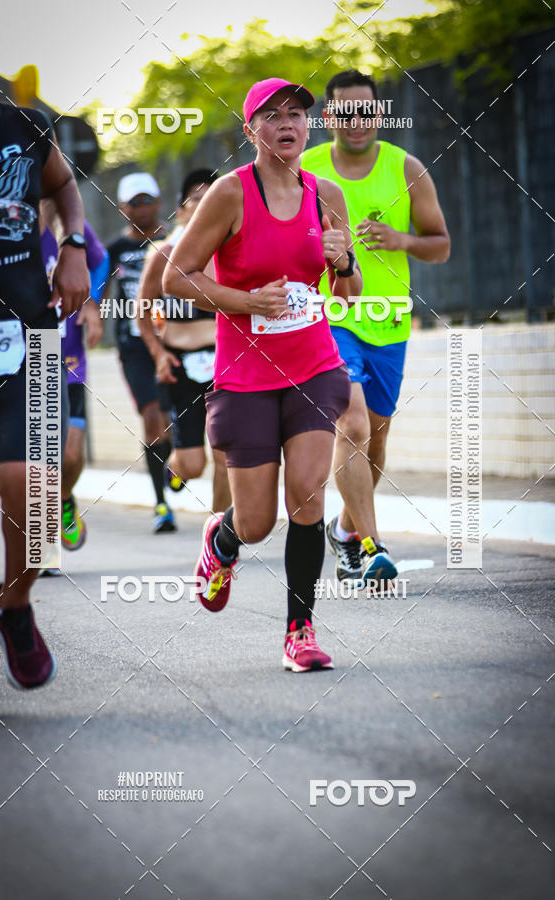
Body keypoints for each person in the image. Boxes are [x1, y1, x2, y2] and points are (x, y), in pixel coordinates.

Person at [164, 78, 362, 672]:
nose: (288, 124)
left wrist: (344, 260)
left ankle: (299, 631)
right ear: (251, 130)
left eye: (297, 114)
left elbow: (348, 295)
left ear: (309, 125)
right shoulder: (229, 194)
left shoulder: (326, 193)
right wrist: (248, 302)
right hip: (245, 378)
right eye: (272, 116)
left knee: (306, 498)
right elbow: (178, 278)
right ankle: (221, 541)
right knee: (257, 522)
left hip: (314, 370)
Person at [0, 4, 90, 719]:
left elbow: (63, 184)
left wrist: (72, 246)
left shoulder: (23, 127)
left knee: (34, 491)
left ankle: (14, 604)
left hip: (25, 340)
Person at [301, 70, 450, 584]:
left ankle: (345, 531)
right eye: (345, 111)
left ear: (379, 113)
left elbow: (441, 245)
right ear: (329, 117)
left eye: (366, 110)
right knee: (352, 425)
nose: (356, 120)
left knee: (376, 442)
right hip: (331, 316)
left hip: (388, 323)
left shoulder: (405, 168)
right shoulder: (307, 169)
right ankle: (373, 545)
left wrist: (402, 240)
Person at [137, 168, 231, 512]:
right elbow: (143, 310)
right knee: (194, 464)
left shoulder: (232, 251)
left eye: (211, 199)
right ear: (182, 210)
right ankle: (175, 468)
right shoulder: (163, 253)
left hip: (223, 362)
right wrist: (158, 353)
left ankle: (220, 534)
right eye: (196, 199)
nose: (204, 205)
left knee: (225, 454)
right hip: (179, 364)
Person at [106, 173, 175, 533]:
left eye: (148, 200)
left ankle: (178, 456)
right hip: (134, 346)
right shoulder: (114, 250)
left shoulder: (174, 241)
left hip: (175, 340)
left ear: (159, 202)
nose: (142, 207)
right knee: (152, 418)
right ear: (122, 207)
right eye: (135, 202)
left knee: (172, 417)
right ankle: (161, 503)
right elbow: (97, 296)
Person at [41, 218, 109, 563]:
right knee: (37, 463)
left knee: (69, 456)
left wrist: (93, 303)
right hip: (25, 358)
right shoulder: (4, 222)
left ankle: (64, 497)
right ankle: (46, 548)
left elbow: (101, 260)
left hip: (68, 360)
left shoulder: (72, 223)